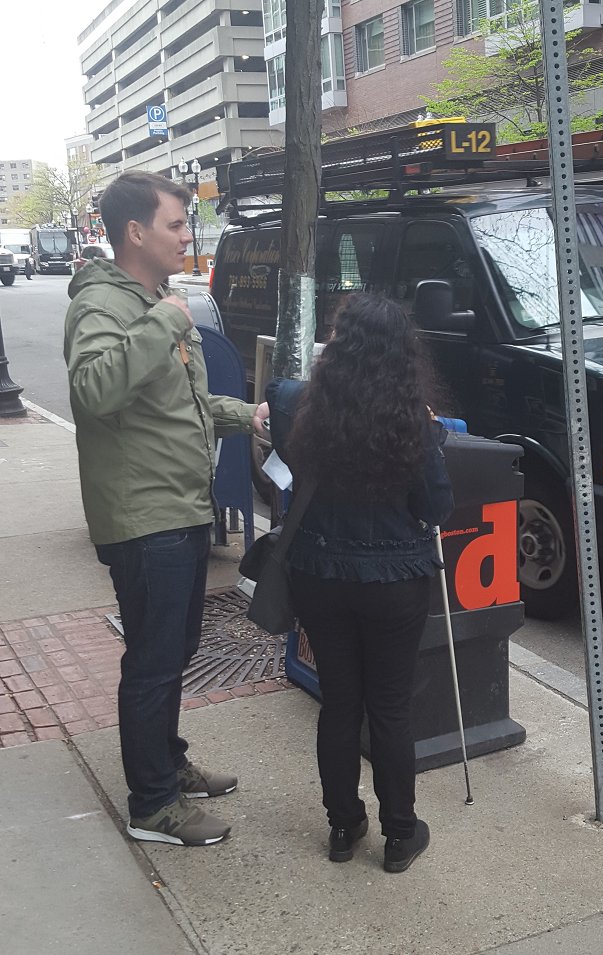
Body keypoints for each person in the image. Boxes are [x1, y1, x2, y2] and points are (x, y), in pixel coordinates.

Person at [64, 171, 269, 847]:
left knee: (172, 648)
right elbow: (94, 390)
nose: (189, 235)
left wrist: (250, 415)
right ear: (135, 232)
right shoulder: (105, 305)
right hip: (144, 518)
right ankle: (152, 803)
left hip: (179, 509)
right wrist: (163, 322)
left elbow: (184, 406)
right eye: (177, 224)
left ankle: (167, 763)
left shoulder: (153, 299)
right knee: (153, 659)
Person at [267, 293, 454, 874]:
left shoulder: (303, 408)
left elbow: (286, 462)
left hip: (321, 575)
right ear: (405, 355)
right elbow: (437, 506)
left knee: (340, 703)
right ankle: (400, 833)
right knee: (391, 709)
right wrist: (434, 442)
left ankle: (343, 827)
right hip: (395, 579)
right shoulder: (411, 420)